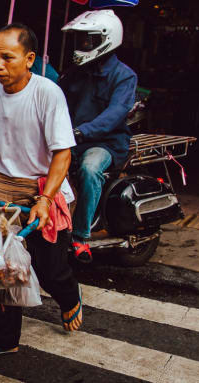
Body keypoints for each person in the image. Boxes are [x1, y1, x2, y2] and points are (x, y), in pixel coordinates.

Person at [0, 23, 82, 357]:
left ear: (30, 59)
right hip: (1, 188)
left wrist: (46, 199)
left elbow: (62, 153)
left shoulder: (48, 93)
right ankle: (5, 340)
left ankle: (69, 297)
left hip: (43, 188)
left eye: (7, 57)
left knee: (50, 270)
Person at [58, 10, 137, 261]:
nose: (81, 46)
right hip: (73, 138)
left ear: (106, 39)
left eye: (87, 41)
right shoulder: (74, 73)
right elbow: (56, 100)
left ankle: (81, 238)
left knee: (90, 170)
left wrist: (83, 131)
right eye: (80, 40)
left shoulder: (124, 76)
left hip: (106, 143)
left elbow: (115, 114)